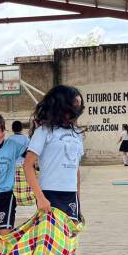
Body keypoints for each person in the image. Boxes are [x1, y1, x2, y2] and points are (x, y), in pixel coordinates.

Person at [24, 85, 84, 222]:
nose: (78, 108)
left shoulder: (77, 134)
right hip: (49, 193)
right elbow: (27, 165)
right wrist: (40, 198)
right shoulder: (44, 131)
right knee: (52, 235)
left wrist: (78, 200)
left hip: (71, 194)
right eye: (75, 103)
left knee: (70, 235)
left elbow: (76, 169)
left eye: (79, 104)